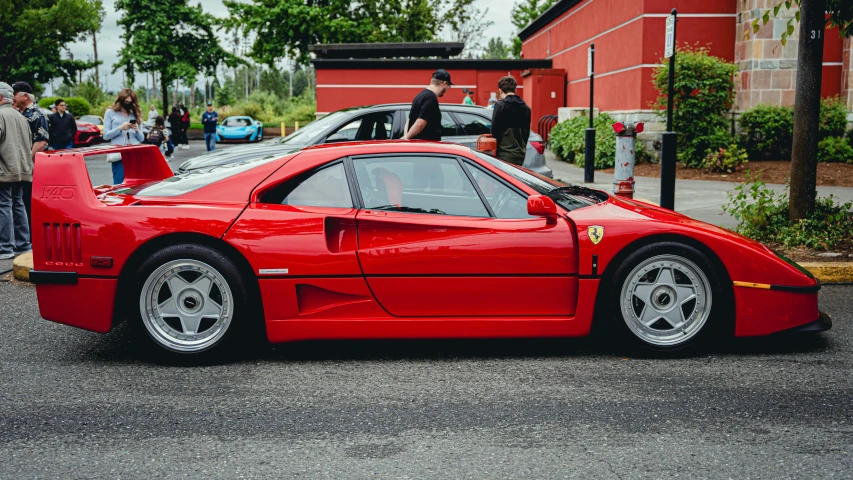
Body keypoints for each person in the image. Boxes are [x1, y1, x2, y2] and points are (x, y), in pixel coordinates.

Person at [0, 82, 33, 259]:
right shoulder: (20, 116)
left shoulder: (1, 115)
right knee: (18, 204)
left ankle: (5, 247)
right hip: (22, 169)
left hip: (5, 169)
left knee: (4, 205)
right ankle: (23, 244)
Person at [10, 81, 48, 232]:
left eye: (15, 94)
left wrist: (27, 159)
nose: (12, 98)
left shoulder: (37, 114)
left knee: (29, 200)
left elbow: (42, 141)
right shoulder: (21, 113)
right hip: (23, 164)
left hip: (33, 165)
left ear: (25, 96)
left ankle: (33, 235)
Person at [102, 88, 144, 184]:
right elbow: (106, 135)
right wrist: (120, 128)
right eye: (126, 101)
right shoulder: (110, 112)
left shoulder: (135, 114)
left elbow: (141, 139)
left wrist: (137, 130)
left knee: (135, 184)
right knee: (119, 183)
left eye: (130, 102)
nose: (128, 104)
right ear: (121, 100)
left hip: (134, 152)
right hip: (119, 153)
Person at [490, 76, 531, 166]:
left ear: (500, 91)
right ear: (515, 90)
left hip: (504, 155)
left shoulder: (500, 106)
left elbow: (494, 132)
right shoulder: (526, 108)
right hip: (520, 155)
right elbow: (526, 134)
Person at [403, 69, 452, 141]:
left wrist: (406, 136)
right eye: (448, 85)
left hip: (418, 146)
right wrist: (406, 138)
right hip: (426, 147)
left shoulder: (420, 95)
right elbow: (420, 123)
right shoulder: (431, 98)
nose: (448, 88)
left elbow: (409, 120)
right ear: (443, 84)